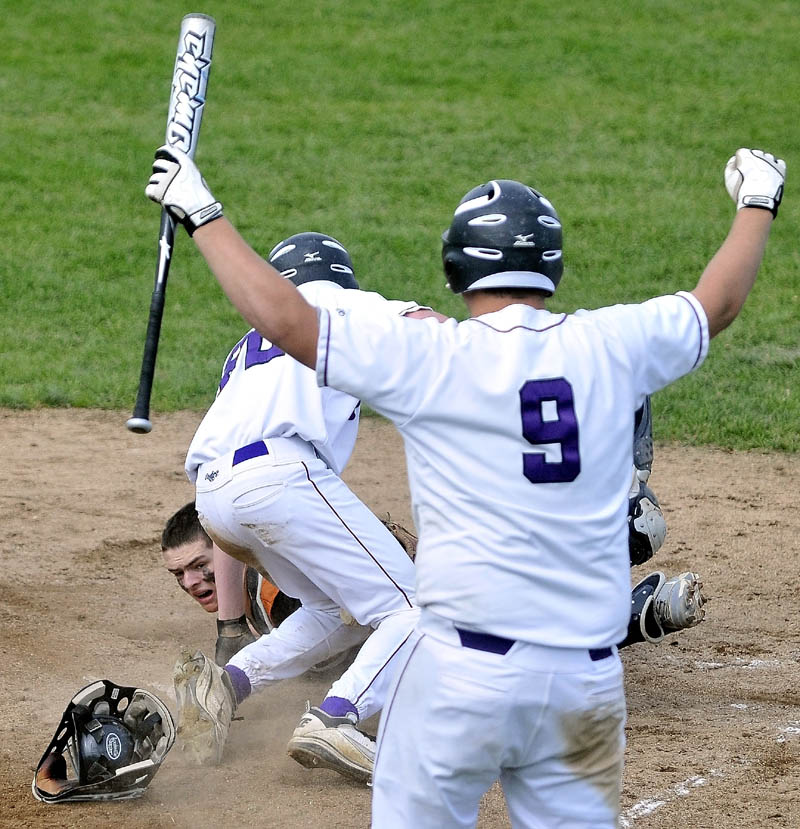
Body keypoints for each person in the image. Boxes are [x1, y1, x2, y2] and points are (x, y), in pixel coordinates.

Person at [145, 145, 784, 826]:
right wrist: (759, 197)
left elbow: (287, 320)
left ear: (454, 268)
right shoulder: (613, 341)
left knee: (402, 613)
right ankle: (327, 708)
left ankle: (325, 707)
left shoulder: (433, 359)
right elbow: (717, 302)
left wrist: (203, 212)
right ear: (554, 266)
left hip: (460, 678)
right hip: (582, 684)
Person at [165, 231, 440, 784]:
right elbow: (427, 329)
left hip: (213, 497)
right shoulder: (339, 303)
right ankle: (340, 717)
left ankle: (227, 684)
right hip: (280, 477)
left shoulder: (245, 344)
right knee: (414, 607)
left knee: (325, 608)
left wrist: (232, 619)